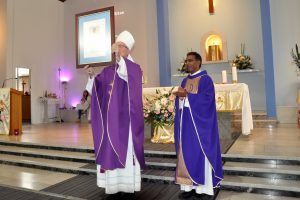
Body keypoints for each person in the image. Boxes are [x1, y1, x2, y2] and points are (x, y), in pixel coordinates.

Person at [91, 30, 145, 197]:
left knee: (126, 151)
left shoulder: (134, 68)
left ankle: (128, 187)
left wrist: (121, 61)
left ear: (128, 49)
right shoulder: (108, 70)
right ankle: (113, 187)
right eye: (116, 46)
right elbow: (96, 87)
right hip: (111, 121)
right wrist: (91, 76)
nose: (118, 49)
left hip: (126, 120)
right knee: (111, 150)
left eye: (121, 46)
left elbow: (126, 74)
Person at [173, 52, 223, 199]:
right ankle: (188, 187)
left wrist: (187, 96)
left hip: (200, 128)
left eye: (190, 60)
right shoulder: (184, 81)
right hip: (186, 126)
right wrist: (180, 98)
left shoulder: (206, 80)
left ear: (199, 62)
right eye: (186, 60)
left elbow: (207, 101)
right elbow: (180, 102)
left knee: (200, 154)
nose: (187, 63)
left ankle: (204, 189)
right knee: (186, 154)